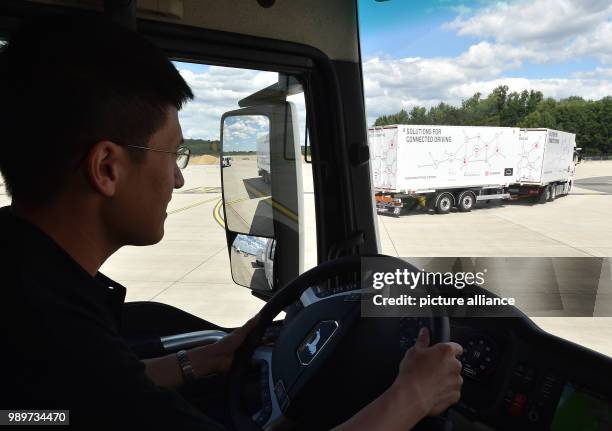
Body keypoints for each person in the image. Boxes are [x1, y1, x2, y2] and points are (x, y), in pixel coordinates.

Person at [0, 16, 463, 430]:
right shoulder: (56, 340)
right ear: (106, 168)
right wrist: (413, 397)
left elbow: (82, 399)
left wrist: (202, 359)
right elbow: (91, 392)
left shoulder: (31, 283)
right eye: (173, 154)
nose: (179, 178)